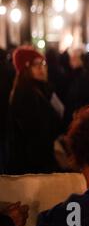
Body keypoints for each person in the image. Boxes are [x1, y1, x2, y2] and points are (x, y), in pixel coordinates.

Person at [7, 46, 65, 174]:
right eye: (35, 65)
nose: (41, 68)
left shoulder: (43, 90)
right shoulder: (26, 94)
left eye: (43, 63)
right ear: (25, 69)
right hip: (34, 163)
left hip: (43, 158)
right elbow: (35, 132)